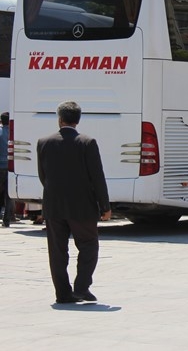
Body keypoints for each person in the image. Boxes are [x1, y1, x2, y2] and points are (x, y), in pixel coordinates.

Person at [37, 101, 111, 304]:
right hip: (83, 206)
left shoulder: (44, 142)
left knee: (57, 251)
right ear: (77, 120)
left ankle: (62, 293)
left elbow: (43, 175)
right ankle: (81, 287)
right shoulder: (87, 142)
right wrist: (105, 206)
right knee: (88, 246)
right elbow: (97, 177)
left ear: (60, 119)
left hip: (54, 205)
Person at [1, 112, 12, 227]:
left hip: (0, 166)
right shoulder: (14, 133)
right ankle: (7, 219)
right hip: (10, 167)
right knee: (8, 196)